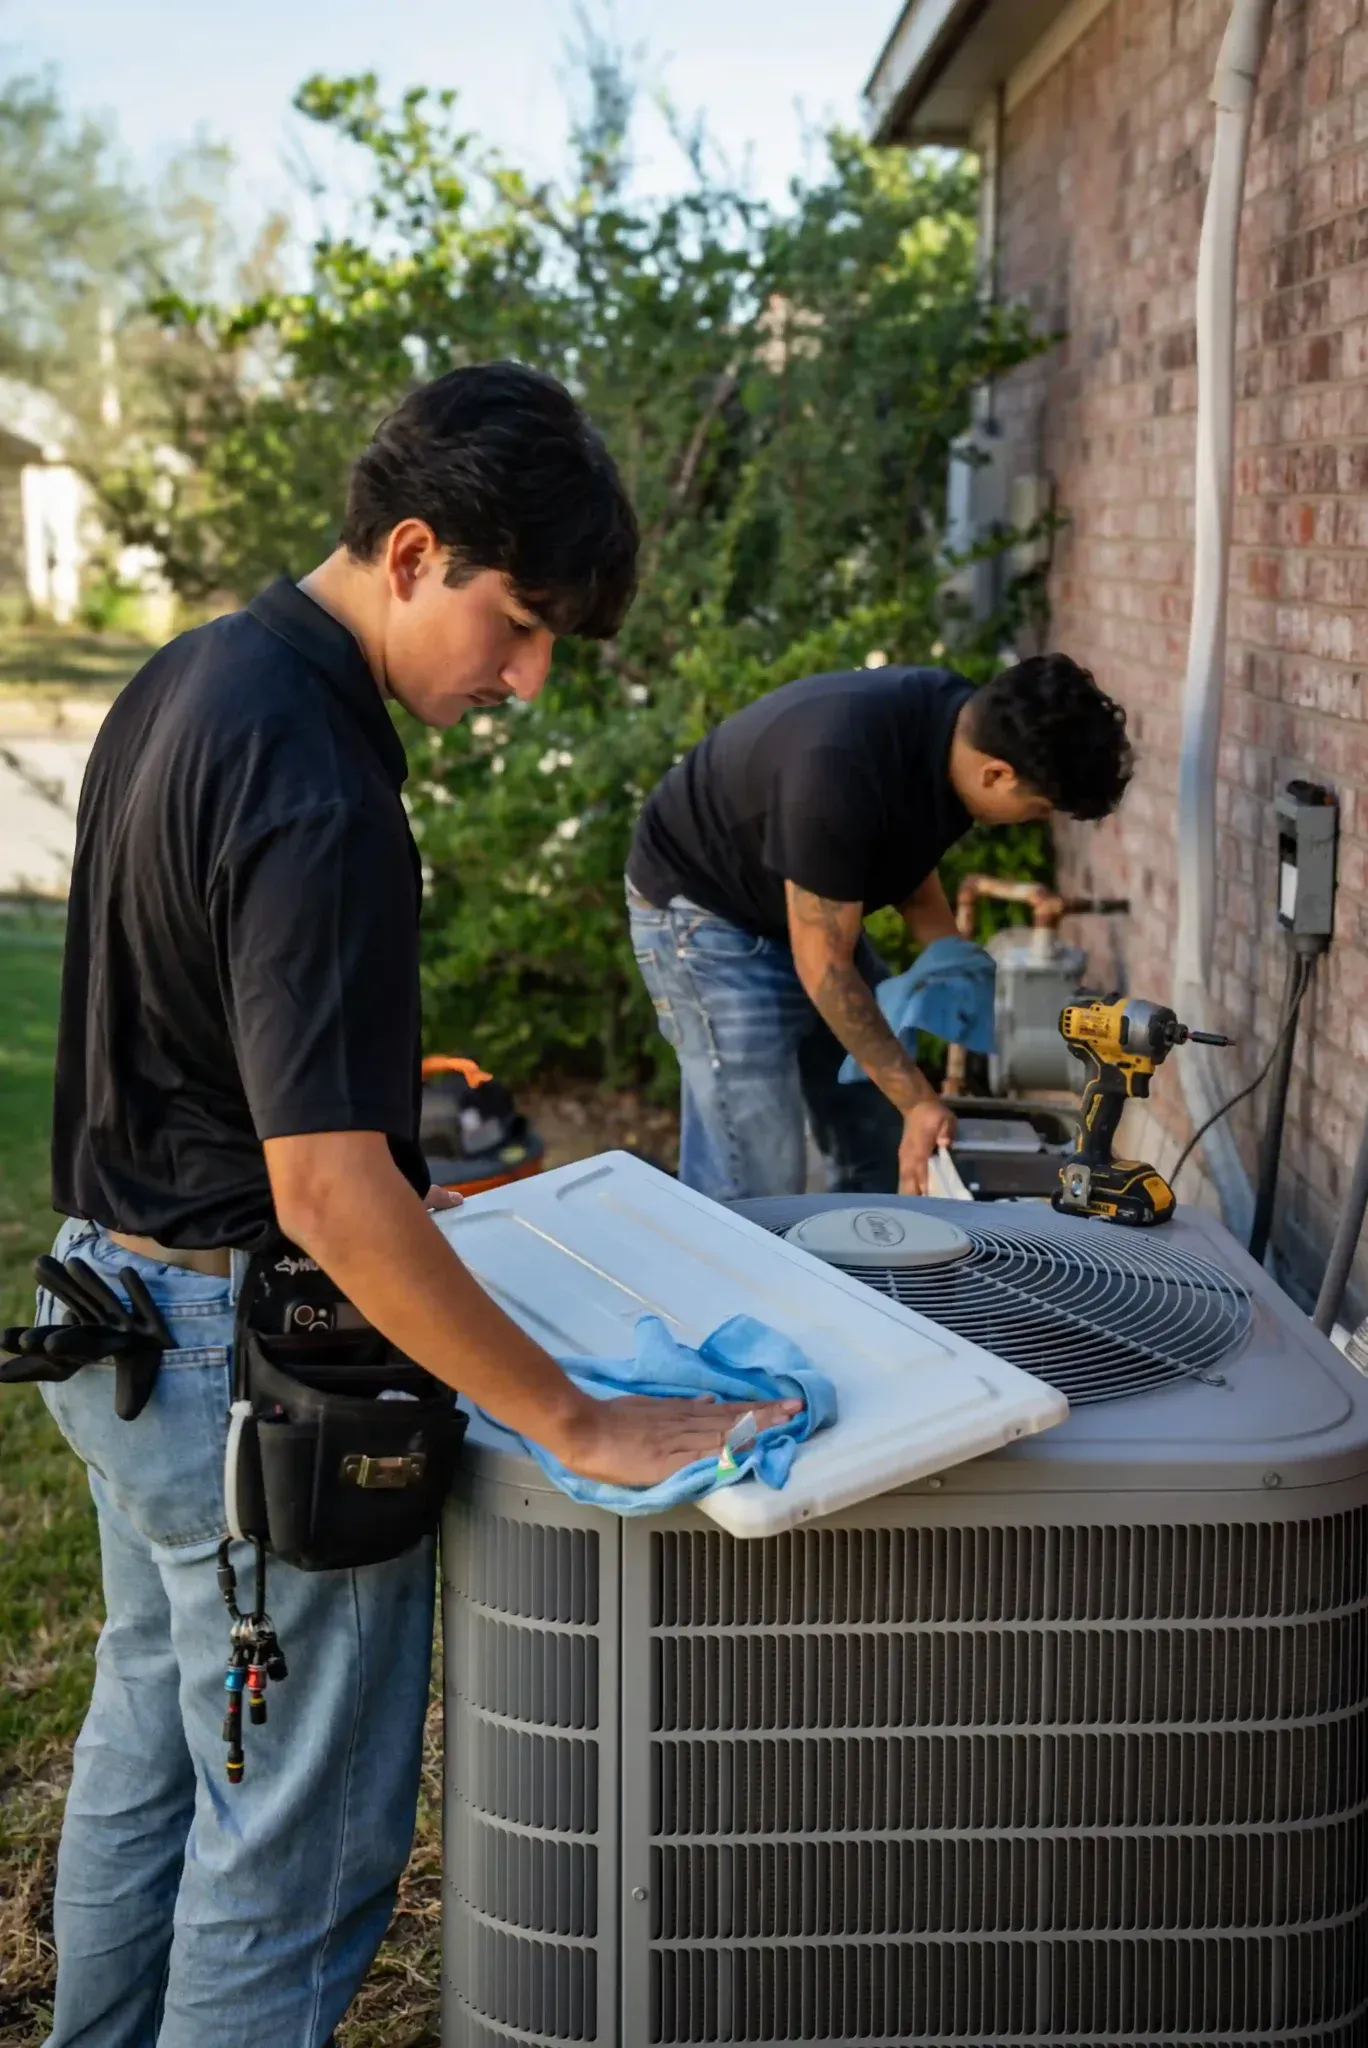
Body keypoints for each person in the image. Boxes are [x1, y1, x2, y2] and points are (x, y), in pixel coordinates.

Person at [35, 362, 794, 2048]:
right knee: (291, 1847)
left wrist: (411, 1176)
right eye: (514, 625)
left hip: (120, 1314)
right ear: (408, 549)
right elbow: (322, 1190)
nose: (522, 680)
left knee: (152, 1748)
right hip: (246, 1361)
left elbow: (209, 1057)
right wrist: (565, 1410)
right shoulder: (319, 781)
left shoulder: (191, 678)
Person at [627, 655, 1132, 1200]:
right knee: (755, 1174)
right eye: (1037, 809)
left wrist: (949, 956)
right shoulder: (836, 774)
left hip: (799, 911)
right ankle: (731, 1278)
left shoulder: (956, 727)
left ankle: (859, 1267)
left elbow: (902, 848)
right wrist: (919, 1101)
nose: (1034, 820)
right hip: (704, 917)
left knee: (873, 1118)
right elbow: (823, 966)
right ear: (997, 774)